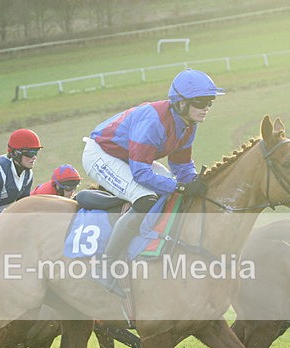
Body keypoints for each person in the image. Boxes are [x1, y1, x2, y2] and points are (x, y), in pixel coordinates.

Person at [82, 68, 223, 294]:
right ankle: (106, 264)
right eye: (200, 101)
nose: (206, 107)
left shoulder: (188, 125)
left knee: (173, 192)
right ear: (181, 103)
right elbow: (141, 174)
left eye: (210, 102)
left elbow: (181, 166)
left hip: (131, 158)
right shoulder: (154, 121)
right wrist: (181, 186)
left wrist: (195, 181)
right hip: (102, 154)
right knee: (145, 197)